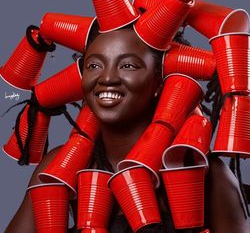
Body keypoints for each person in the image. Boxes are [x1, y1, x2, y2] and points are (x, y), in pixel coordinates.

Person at [5, 27, 250, 233]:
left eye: (128, 65)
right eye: (93, 65)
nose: (107, 78)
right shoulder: (58, 166)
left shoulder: (206, 173)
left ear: (158, 81)